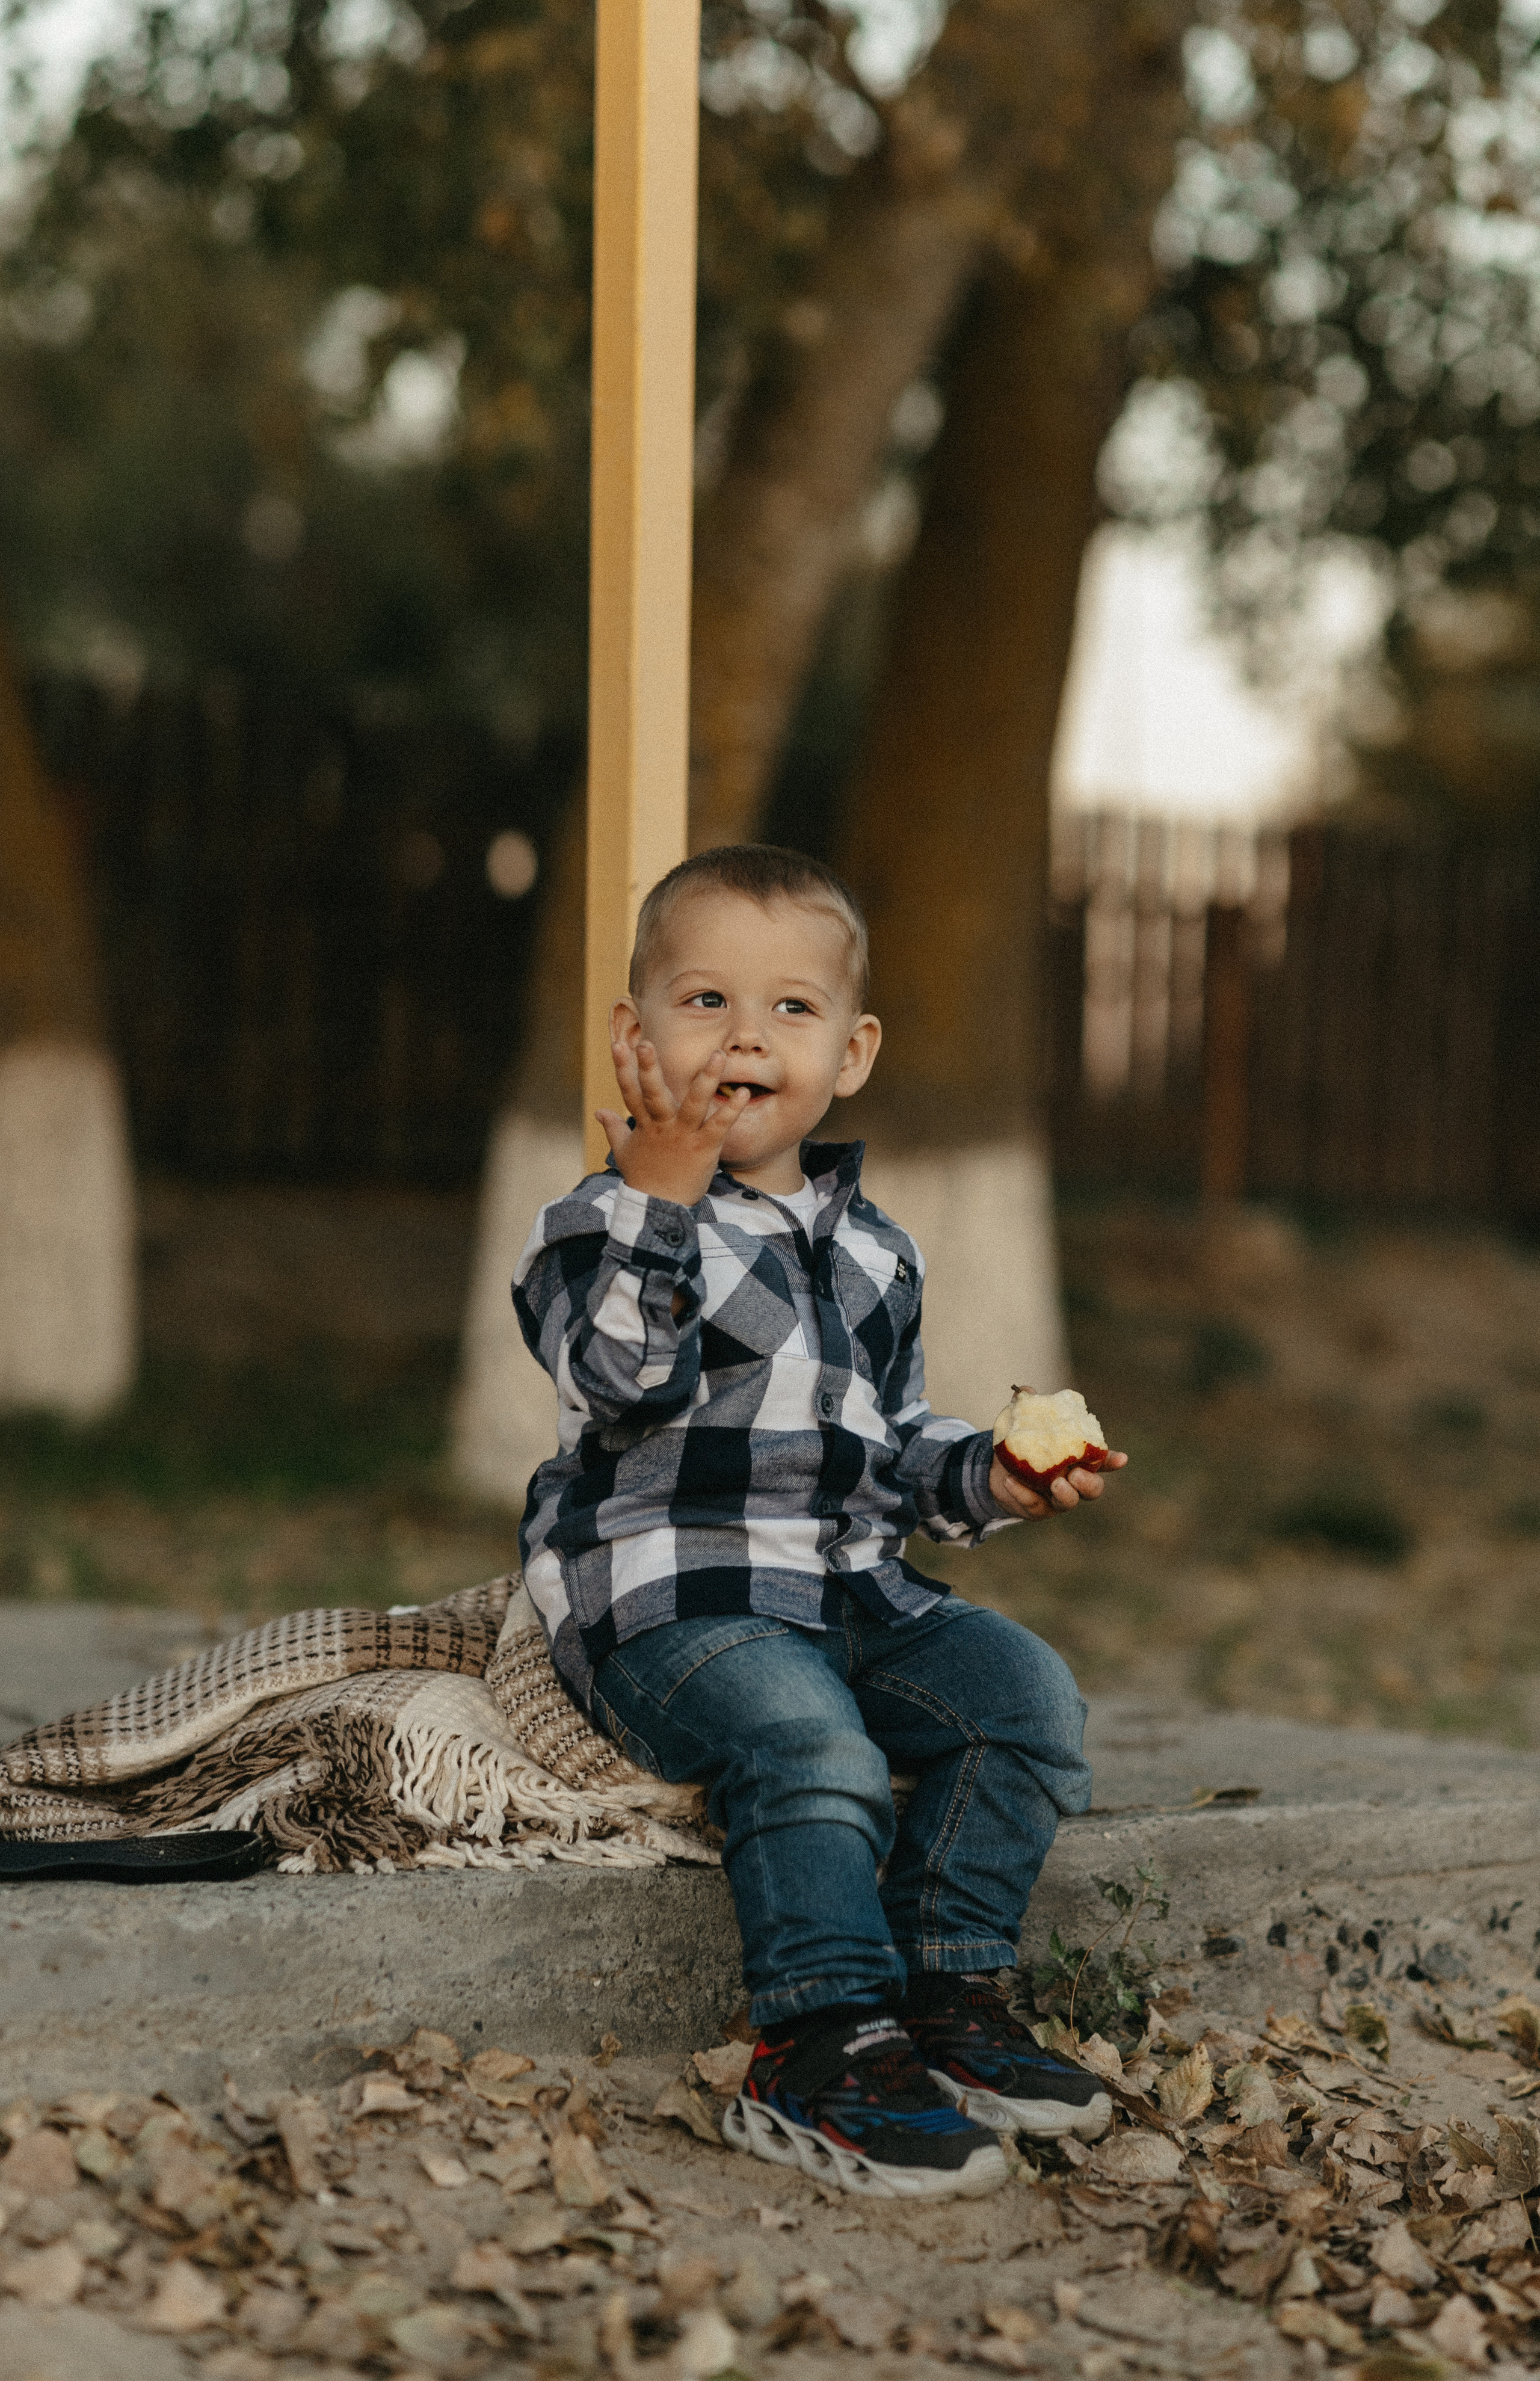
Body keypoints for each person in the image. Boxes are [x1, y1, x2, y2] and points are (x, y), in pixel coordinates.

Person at [514, 845, 1128, 2201]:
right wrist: (661, 1202)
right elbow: (613, 1375)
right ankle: (815, 2038)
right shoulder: (595, 1221)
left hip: (851, 1589)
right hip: (680, 1602)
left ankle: (942, 1993)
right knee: (810, 1741)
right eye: (702, 1001)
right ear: (634, 1037)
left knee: (1023, 1696)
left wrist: (995, 1477)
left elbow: (891, 1441)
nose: (743, 1035)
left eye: (789, 1009)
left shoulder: (875, 1251)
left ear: (848, 1055)